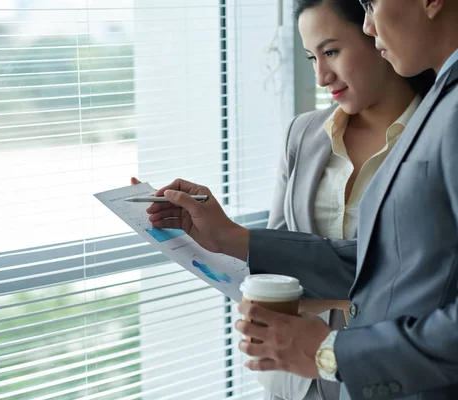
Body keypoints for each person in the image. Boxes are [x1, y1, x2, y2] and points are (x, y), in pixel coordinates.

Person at [144, 0, 458, 397]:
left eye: (331, 51)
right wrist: (232, 238)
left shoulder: (441, 114)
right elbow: (384, 265)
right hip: (302, 377)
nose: (371, 25)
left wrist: (332, 352)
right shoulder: (434, 105)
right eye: (312, 57)